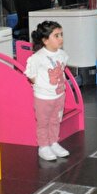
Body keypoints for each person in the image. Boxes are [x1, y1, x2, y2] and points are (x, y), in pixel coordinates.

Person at [24, 21, 70, 161]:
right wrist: (42, 86)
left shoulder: (62, 54)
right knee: (43, 122)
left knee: (55, 120)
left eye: (61, 34)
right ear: (45, 40)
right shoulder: (37, 57)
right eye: (56, 35)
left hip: (59, 95)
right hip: (43, 98)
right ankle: (43, 146)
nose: (61, 38)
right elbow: (30, 74)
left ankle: (53, 142)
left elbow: (61, 70)